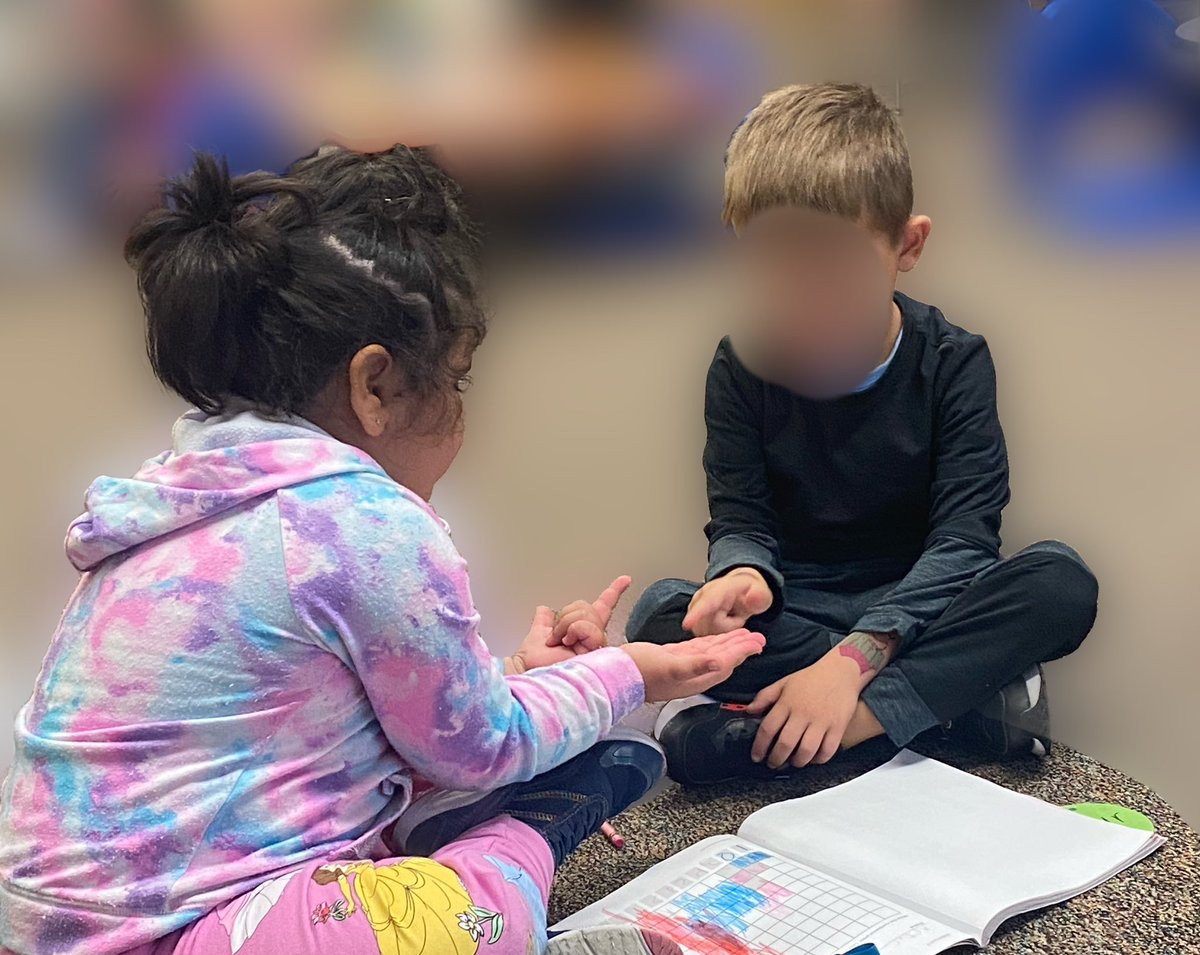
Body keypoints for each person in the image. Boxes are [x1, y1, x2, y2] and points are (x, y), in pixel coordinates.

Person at [0, 150, 765, 955]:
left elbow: (321, 704)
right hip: (188, 933)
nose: (462, 417)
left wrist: (510, 675)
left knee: (485, 775)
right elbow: (480, 745)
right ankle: (521, 841)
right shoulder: (362, 521)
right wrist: (628, 673)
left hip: (47, 931)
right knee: (456, 919)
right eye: (456, 383)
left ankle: (451, 834)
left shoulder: (186, 494)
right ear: (374, 385)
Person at [625, 82, 1099, 786]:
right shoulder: (739, 368)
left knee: (1060, 582)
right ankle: (964, 708)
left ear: (907, 245)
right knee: (660, 612)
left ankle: (833, 727)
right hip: (802, 607)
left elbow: (964, 542)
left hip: (924, 603)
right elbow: (741, 521)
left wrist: (851, 666)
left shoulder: (955, 361)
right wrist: (741, 576)